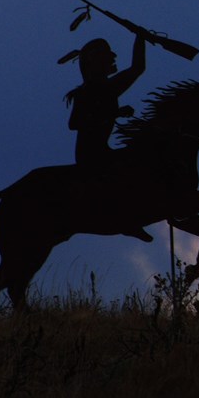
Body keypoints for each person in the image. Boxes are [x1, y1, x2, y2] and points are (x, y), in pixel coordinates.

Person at [62, 33, 154, 242]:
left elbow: (137, 68)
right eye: (107, 58)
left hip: (103, 150)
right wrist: (114, 114)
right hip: (91, 155)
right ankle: (129, 220)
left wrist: (140, 38)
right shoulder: (88, 91)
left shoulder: (108, 87)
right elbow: (74, 123)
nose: (112, 61)